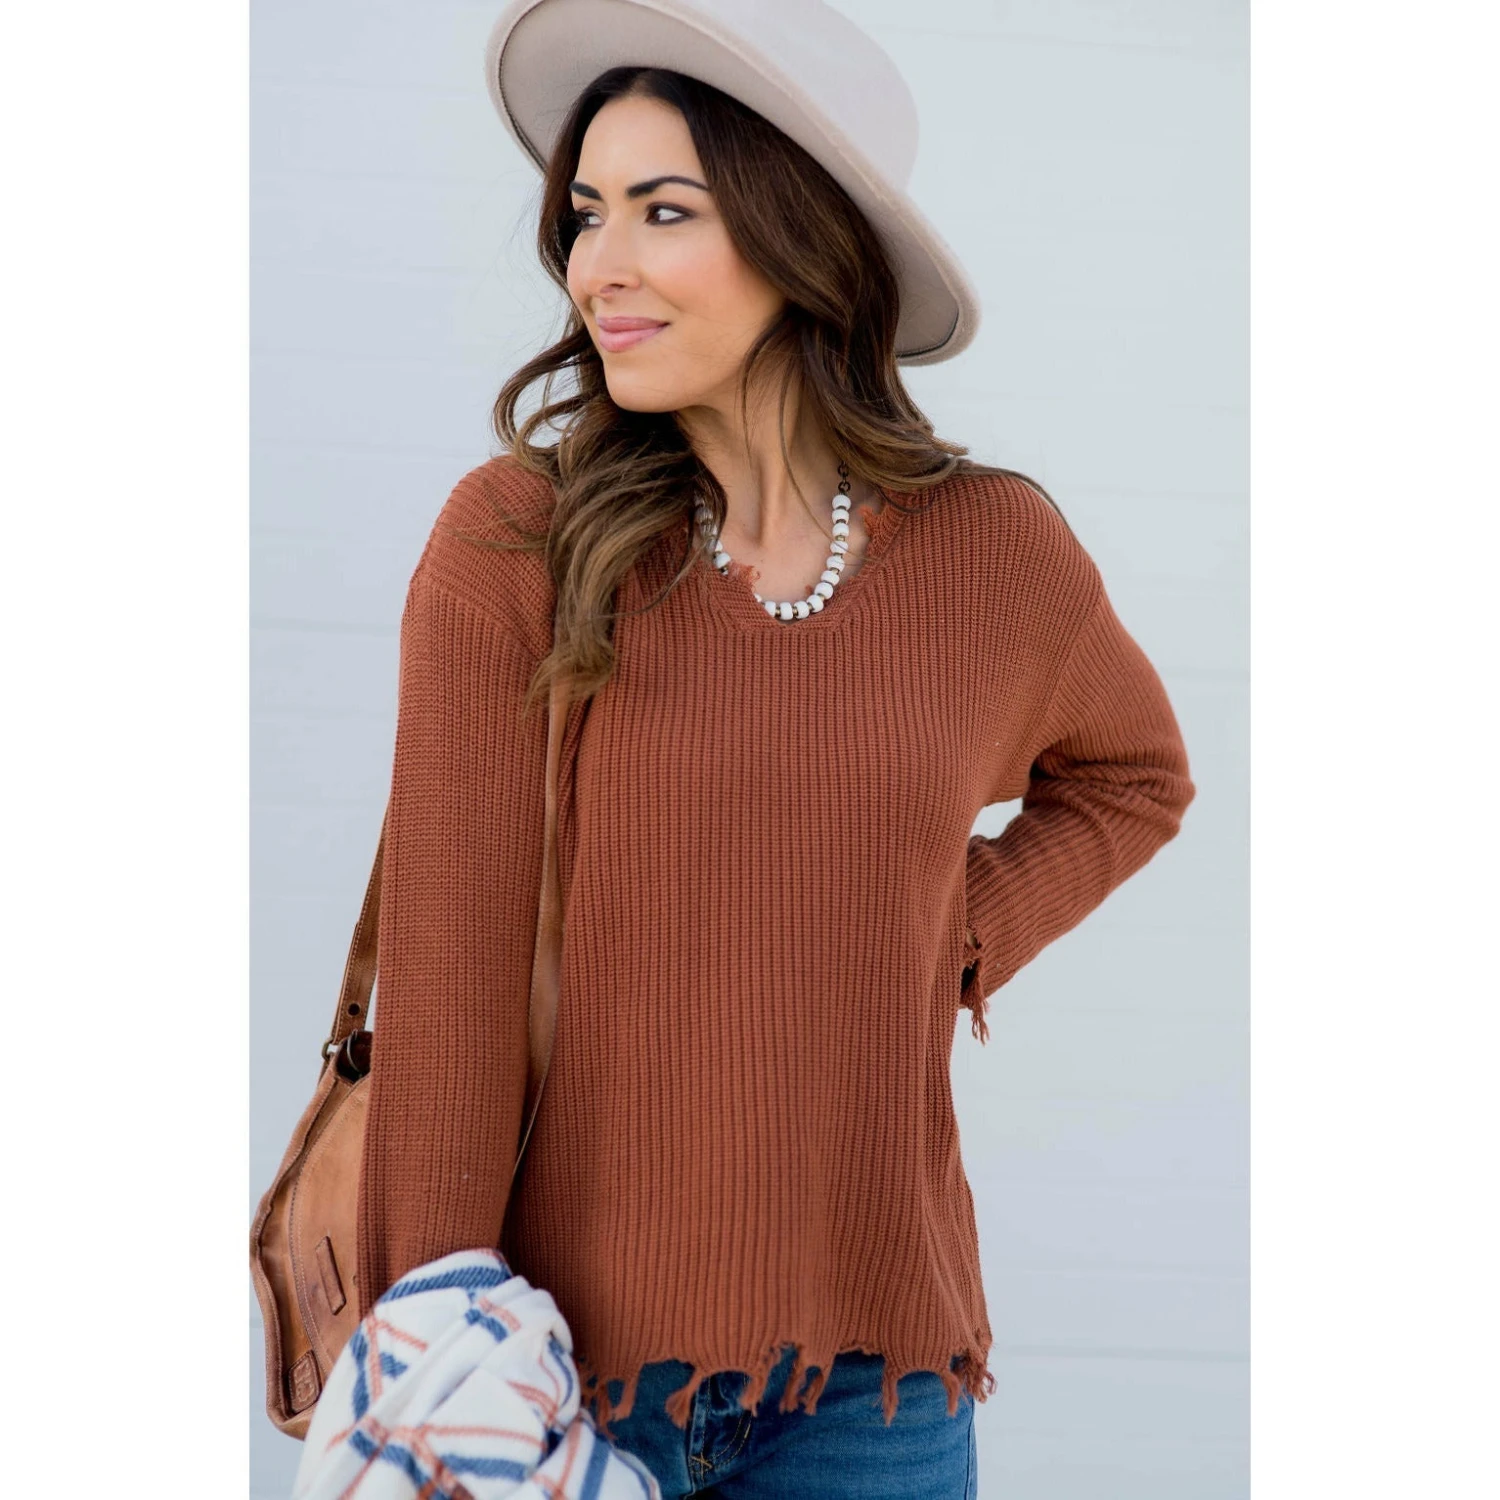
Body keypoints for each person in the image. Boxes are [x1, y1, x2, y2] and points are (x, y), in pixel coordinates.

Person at [353, 3, 1197, 1496]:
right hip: (554, 1376)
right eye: (586, 214)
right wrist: (441, 1353)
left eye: (663, 211)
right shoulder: (515, 544)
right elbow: (451, 977)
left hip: (875, 1377)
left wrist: (950, 930)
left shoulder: (991, 548)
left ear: (806, 239)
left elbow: (1133, 778)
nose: (598, 265)